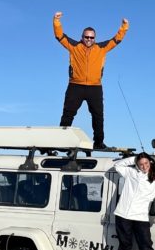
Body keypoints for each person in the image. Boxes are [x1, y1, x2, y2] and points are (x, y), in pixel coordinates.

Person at [53, 11, 128, 149]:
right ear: (82, 37)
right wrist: (57, 21)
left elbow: (116, 40)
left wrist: (124, 27)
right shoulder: (74, 47)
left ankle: (98, 143)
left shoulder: (101, 48)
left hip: (95, 87)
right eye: (86, 37)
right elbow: (59, 36)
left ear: (95, 38)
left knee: (98, 116)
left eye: (91, 37)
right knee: (68, 114)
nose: (89, 39)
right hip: (75, 86)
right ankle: (61, 140)